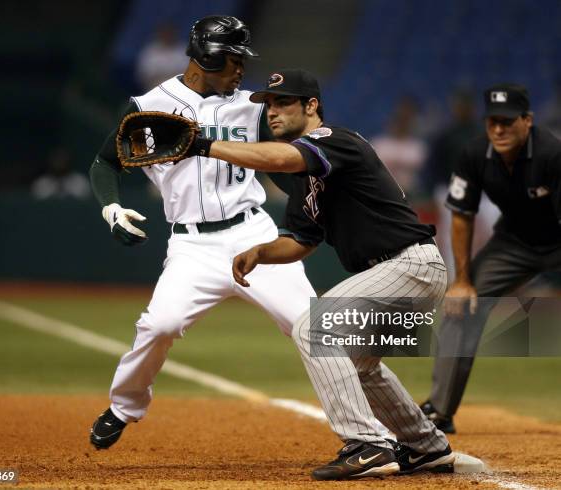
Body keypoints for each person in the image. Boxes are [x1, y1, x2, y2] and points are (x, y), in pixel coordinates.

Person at [182, 68, 454, 480]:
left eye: (284, 102)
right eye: (269, 104)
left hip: (410, 265)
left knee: (313, 327)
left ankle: (368, 444)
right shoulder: (304, 182)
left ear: (312, 106)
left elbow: (278, 157)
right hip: (400, 271)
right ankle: (426, 446)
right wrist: (260, 251)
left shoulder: (333, 140)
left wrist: (203, 145)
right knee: (361, 366)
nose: (272, 111)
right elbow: (302, 241)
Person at [88, 17, 316, 450]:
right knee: (160, 325)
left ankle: (377, 430)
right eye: (235, 59)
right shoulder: (149, 106)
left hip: (254, 233)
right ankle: (123, 406)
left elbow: (287, 166)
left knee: (312, 327)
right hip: (192, 243)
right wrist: (112, 208)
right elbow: (105, 163)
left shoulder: (253, 105)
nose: (241, 70)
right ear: (208, 56)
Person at [421, 84, 561, 434]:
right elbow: (462, 215)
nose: (498, 129)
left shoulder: (552, 154)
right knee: (460, 307)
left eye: (508, 122)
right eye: (492, 121)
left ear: (527, 121)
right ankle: (440, 410)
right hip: (514, 242)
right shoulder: (474, 154)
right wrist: (462, 280)